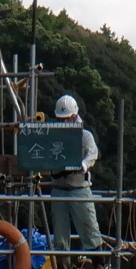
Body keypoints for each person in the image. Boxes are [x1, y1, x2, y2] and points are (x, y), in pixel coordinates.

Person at [47, 93, 104, 253]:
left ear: (74, 116)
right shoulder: (53, 137)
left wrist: (83, 165)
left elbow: (92, 154)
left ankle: (99, 265)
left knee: (89, 227)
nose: (64, 122)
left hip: (80, 189)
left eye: (67, 118)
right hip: (58, 189)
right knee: (60, 234)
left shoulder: (85, 136)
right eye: (61, 119)